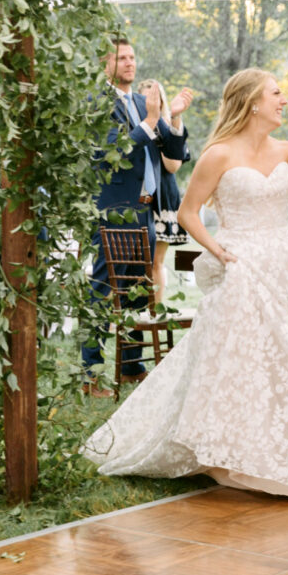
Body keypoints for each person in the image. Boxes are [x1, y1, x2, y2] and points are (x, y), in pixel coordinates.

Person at [82, 68, 288, 508]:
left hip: (286, 269)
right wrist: (219, 250)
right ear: (253, 102)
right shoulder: (219, 154)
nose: (282, 101)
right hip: (241, 269)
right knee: (243, 366)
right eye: (275, 93)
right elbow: (187, 213)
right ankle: (236, 451)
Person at [80, 39, 192, 396]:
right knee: (102, 290)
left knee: (136, 290)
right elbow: (109, 153)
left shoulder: (147, 103)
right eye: (122, 58)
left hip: (145, 208)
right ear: (105, 64)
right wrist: (150, 122)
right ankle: (90, 373)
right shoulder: (96, 104)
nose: (130, 63)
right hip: (112, 208)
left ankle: (131, 366)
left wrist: (172, 116)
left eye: (132, 57)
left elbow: (174, 155)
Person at [137, 79, 190, 301]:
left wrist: (168, 119)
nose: (152, 103)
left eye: (156, 99)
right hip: (139, 196)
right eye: (147, 99)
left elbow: (173, 165)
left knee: (155, 261)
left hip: (163, 198)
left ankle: (156, 311)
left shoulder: (171, 128)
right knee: (135, 261)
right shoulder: (135, 128)